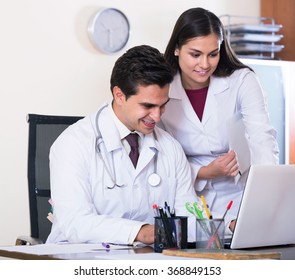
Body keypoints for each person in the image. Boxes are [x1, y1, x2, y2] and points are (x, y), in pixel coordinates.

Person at [46, 45, 199, 245]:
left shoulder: (170, 148)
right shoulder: (73, 143)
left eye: (163, 105)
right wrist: (141, 232)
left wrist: (229, 224)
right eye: (148, 106)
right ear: (119, 95)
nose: (157, 116)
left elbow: (190, 216)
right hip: (78, 260)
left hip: (146, 262)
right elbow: (76, 223)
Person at [160, 8, 279, 234]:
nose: (205, 64)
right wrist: (203, 171)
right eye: (195, 54)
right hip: (188, 195)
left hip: (239, 194)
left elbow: (262, 139)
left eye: (213, 54)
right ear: (176, 48)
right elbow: (160, 155)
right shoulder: (162, 88)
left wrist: (265, 200)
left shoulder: (242, 80)